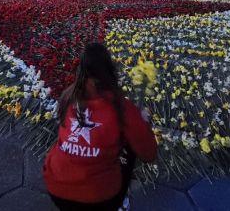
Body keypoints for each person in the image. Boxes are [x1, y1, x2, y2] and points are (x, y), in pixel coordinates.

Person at [43, 43, 157, 211]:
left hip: (56, 187)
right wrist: (142, 122)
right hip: (99, 197)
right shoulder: (122, 108)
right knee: (130, 148)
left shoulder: (68, 96)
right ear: (110, 70)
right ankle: (120, 203)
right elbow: (149, 154)